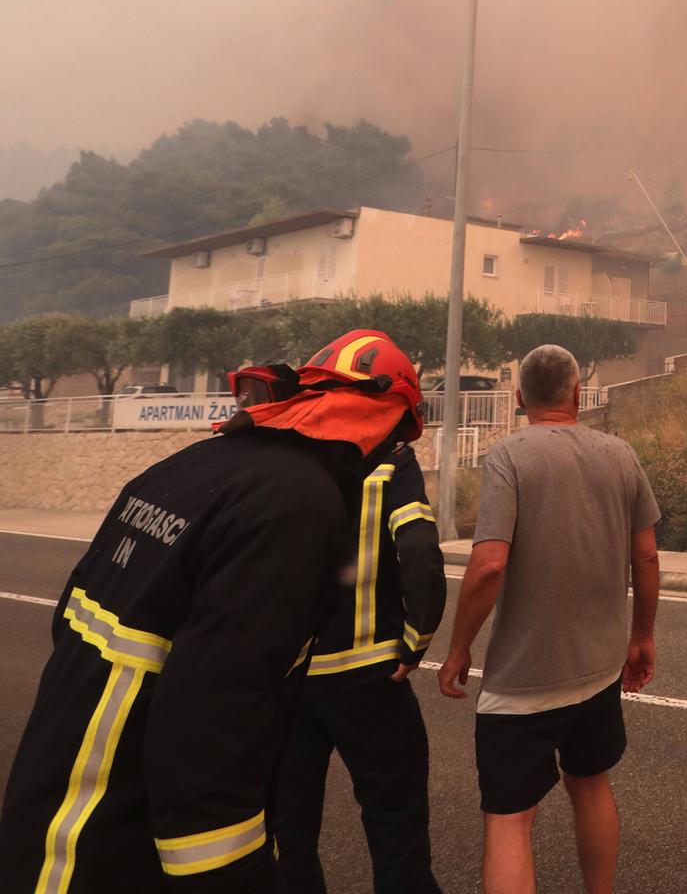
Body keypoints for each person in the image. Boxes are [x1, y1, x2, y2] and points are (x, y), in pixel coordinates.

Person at [0, 329, 425, 892]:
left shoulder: (193, 464)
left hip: (52, 809)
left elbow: (69, 616)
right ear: (389, 422)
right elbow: (214, 720)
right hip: (112, 845)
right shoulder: (297, 504)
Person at [437, 344, 661, 894]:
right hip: (599, 670)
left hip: (523, 682)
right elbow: (648, 557)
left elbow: (489, 564)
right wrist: (642, 638)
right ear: (577, 394)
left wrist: (459, 647)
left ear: (518, 399)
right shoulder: (620, 454)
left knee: (511, 817)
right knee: (590, 783)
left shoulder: (508, 457)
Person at [272, 429, 446, 894]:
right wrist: (416, 641)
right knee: (395, 825)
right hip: (371, 678)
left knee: (289, 831)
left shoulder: (292, 460)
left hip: (293, 680)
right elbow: (419, 551)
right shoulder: (391, 464)